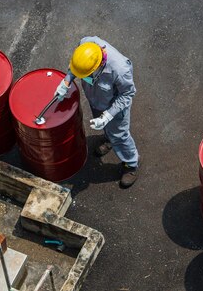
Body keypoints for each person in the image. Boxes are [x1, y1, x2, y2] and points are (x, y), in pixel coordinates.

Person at [55, 36, 140, 188]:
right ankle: (109, 140)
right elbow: (76, 66)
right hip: (96, 99)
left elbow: (127, 94)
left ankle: (131, 165)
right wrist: (66, 80)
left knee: (120, 135)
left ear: (99, 67)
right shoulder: (85, 46)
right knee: (103, 126)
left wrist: (108, 115)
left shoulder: (120, 69)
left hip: (114, 107)